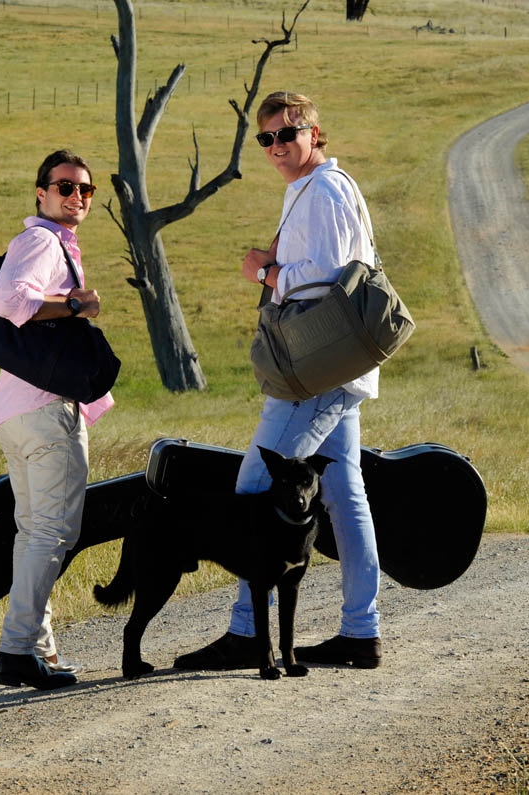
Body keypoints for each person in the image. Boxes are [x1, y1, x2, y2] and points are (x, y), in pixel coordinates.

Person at [174, 91, 383, 671]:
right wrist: (276, 261)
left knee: (254, 484)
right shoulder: (310, 189)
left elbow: (336, 271)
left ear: (315, 133)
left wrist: (266, 272)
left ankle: (247, 633)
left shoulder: (327, 189)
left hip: (317, 367)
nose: (276, 147)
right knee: (344, 496)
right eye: (266, 139)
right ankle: (361, 634)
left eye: (287, 135)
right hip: (334, 365)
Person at [0, 149, 114, 690]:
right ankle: (17, 650)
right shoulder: (41, 241)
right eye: (65, 187)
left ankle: (36, 649)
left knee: (33, 532)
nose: (77, 197)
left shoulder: (51, 243)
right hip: (42, 411)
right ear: (40, 193)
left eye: (86, 190)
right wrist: (75, 306)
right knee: (53, 532)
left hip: (17, 410)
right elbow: (9, 302)